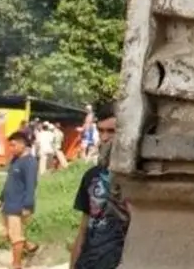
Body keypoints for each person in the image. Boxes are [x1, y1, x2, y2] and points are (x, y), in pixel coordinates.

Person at [70, 105, 129, 269]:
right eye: (100, 131)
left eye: (111, 131)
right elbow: (83, 229)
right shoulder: (92, 176)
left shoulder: (141, 181)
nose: (104, 138)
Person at [0, 131, 40, 269]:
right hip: (8, 203)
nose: (11, 148)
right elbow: (9, 181)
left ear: (22, 144)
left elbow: (31, 185)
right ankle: (29, 246)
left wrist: (28, 205)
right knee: (2, 232)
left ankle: (16, 265)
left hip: (19, 205)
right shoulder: (15, 160)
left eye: (13, 145)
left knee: (15, 236)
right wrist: (1, 197)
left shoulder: (30, 162)